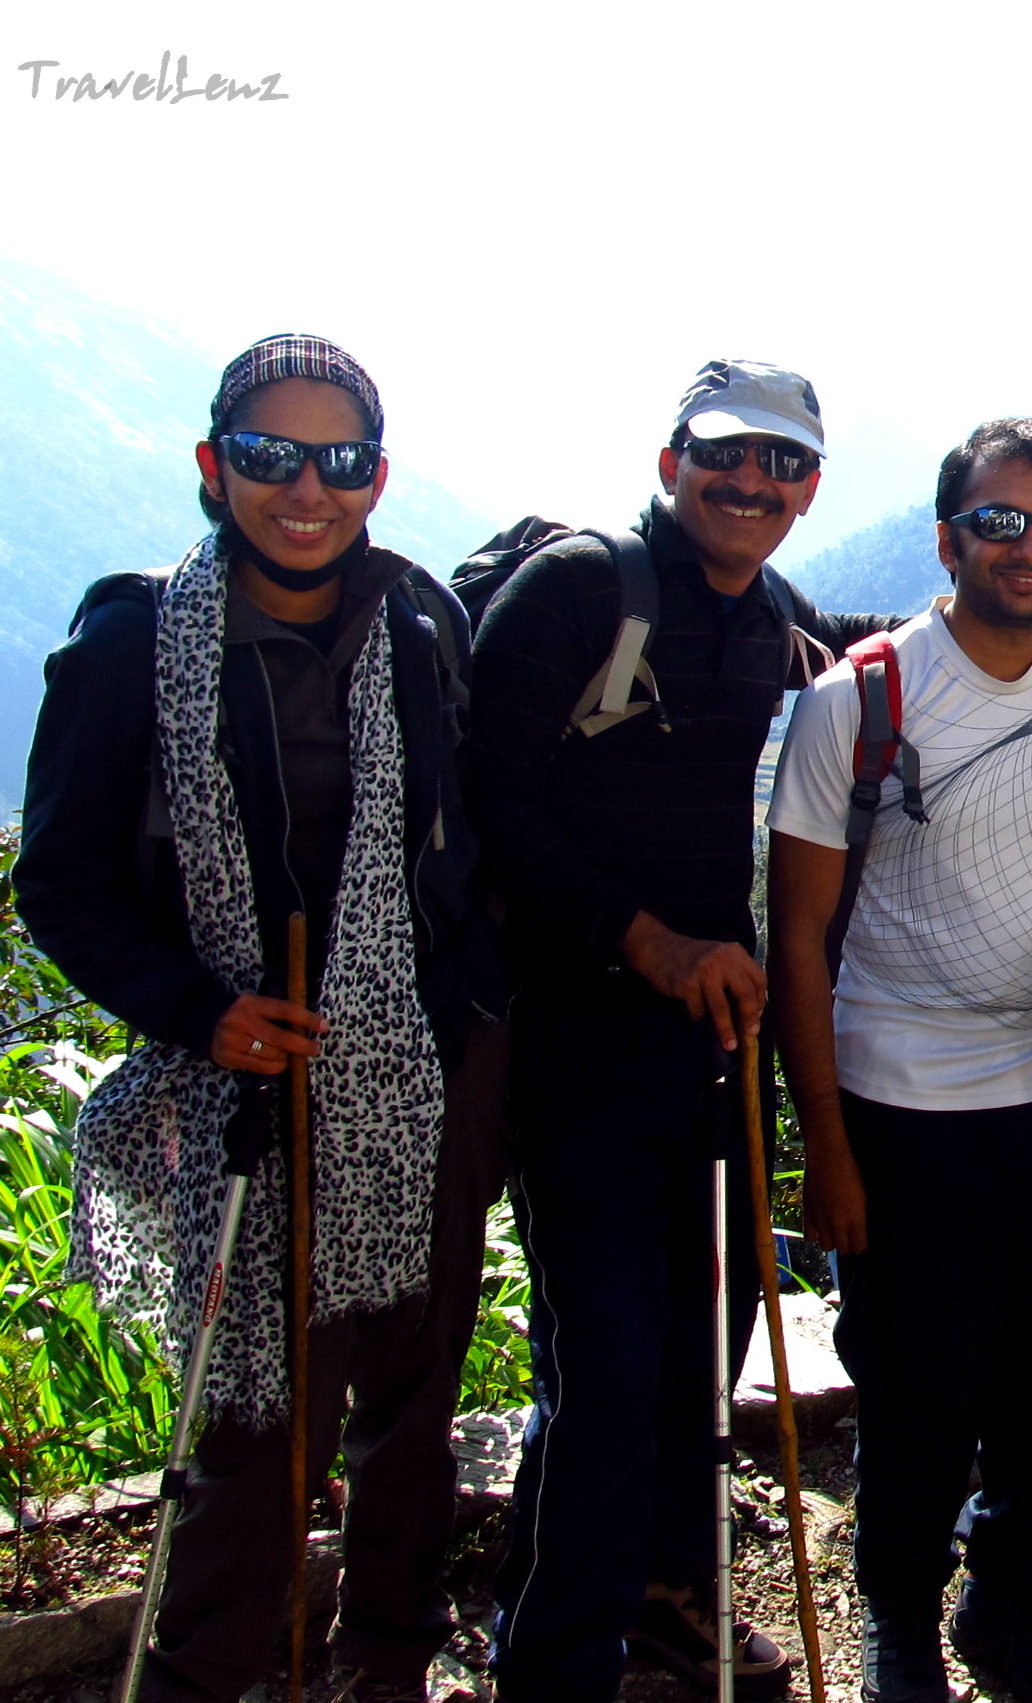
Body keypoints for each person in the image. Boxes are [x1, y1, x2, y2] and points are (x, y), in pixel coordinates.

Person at [18, 334, 502, 1703]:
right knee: (252, 1419)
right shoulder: (131, 645)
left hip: (423, 1068)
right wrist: (200, 1010)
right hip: (239, 1078)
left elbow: (464, 842)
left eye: (339, 461)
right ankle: (209, 1670)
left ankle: (384, 1660)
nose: (307, 489)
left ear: (378, 474)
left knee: (415, 1398)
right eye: (271, 455)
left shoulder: (418, 626)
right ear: (212, 463)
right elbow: (60, 878)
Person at [476, 360, 888, 1701]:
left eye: (780, 464)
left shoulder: (783, 624)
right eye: (726, 455)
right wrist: (646, 938)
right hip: (581, 1037)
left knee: (696, 1362)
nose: (750, 481)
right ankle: (552, 1660)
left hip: (718, 1044)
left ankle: (666, 1603)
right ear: (671, 460)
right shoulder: (578, 593)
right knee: (601, 1366)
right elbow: (495, 808)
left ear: (809, 486)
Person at [766, 418, 1032, 1703]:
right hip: (899, 1109)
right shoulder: (861, 700)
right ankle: (898, 1619)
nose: (1029, 545)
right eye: (1000, 520)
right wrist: (823, 1149)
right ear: (948, 536)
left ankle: (1004, 1602)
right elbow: (799, 940)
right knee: (915, 1382)